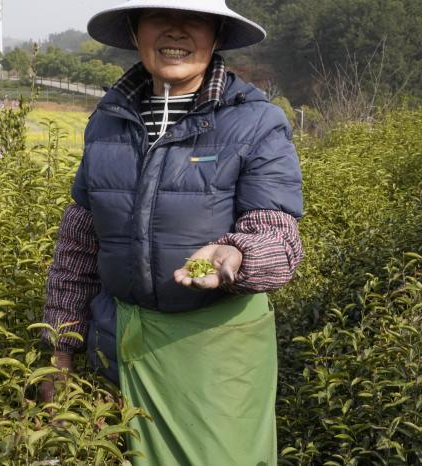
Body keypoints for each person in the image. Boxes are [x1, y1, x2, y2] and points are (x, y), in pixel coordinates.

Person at [41, 0, 303, 464]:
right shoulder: (107, 122)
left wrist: (236, 256)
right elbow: (78, 247)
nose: (177, 31)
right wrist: (60, 349)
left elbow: (278, 237)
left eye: (194, 20)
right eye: (160, 17)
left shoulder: (255, 121)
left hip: (215, 355)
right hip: (121, 343)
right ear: (136, 30)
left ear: (217, 35)